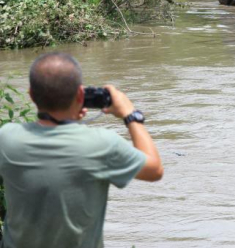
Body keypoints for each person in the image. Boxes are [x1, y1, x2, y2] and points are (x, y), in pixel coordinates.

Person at [0, 52, 163, 248]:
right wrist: (130, 115)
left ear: (31, 95)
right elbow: (154, 170)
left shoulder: (7, 138)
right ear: (80, 95)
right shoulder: (101, 144)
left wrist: (67, 121)